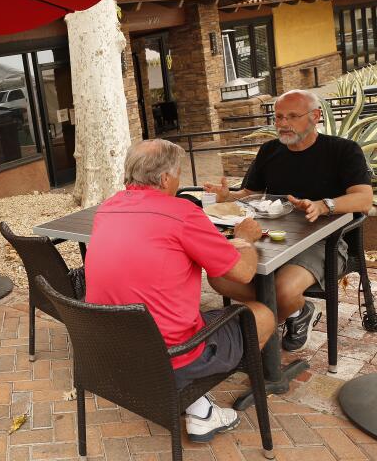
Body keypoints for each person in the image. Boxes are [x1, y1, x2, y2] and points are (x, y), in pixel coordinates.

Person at [85, 139, 275, 443]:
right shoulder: (182, 212)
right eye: (178, 173)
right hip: (168, 358)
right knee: (263, 315)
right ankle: (197, 395)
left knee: (174, 310)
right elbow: (243, 272)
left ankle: (199, 408)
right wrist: (245, 238)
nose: (179, 180)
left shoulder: (107, 208)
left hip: (112, 351)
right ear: (164, 179)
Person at [204, 89, 372, 352]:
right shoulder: (270, 150)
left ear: (315, 116)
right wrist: (228, 196)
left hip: (326, 241)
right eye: (278, 116)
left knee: (282, 289)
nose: (282, 123)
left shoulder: (342, 150)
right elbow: (250, 193)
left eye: (292, 116)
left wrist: (323, 205)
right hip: (272, 237)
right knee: (220, 276)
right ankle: (297, 311)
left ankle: (271, 320)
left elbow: (363, 199)